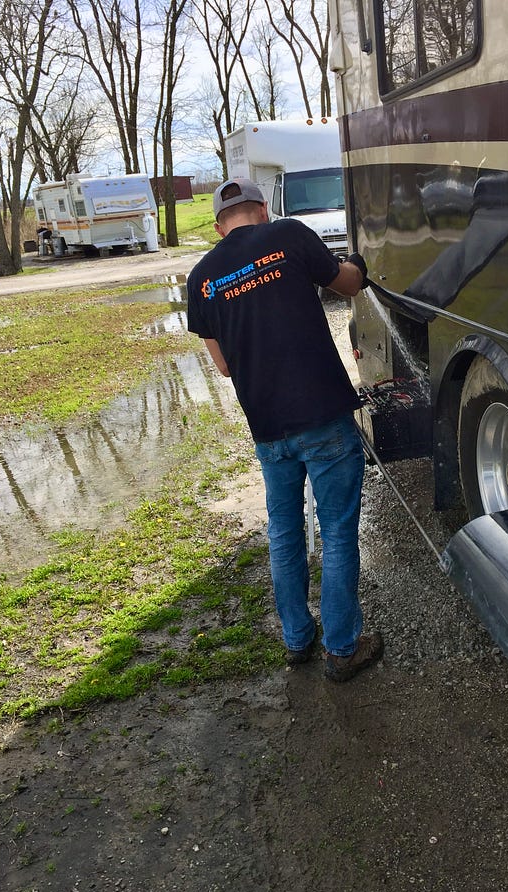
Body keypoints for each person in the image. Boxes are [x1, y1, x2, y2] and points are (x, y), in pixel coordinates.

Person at [186, 178, 383, 682]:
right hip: (323, 417)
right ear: (263, 210)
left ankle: (297, 638)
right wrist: (358, 264)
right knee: (337, 533)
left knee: (283, 532)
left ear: (218, 225)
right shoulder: (290, 236)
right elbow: (347, 284)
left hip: (268, 428)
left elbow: (226, 367)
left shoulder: (202, 278)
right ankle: (342, 649)